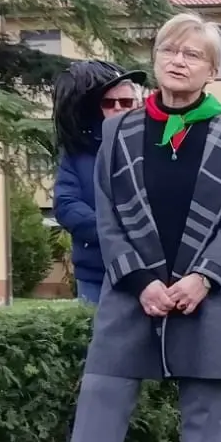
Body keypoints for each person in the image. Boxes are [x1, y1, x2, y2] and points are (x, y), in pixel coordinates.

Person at [9, 13, 221, 442]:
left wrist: (202, 279)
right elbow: (108, 218)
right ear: (156, 59)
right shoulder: (118, 132)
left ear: (212, 72)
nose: (179, 61)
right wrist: (142, 282)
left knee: (206, 417)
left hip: (211, 294)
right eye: (169, 50)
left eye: (193, 55)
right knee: (99, 405)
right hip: (132, 291)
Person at [50, 60, 145, 305]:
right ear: (97, 108)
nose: (118, 108)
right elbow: (66, 205)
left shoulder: (153, 146)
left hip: (148, 274)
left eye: (126, 102)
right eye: (109, 103)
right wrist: (112, 232)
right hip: (95, 276)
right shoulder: (77, 154)